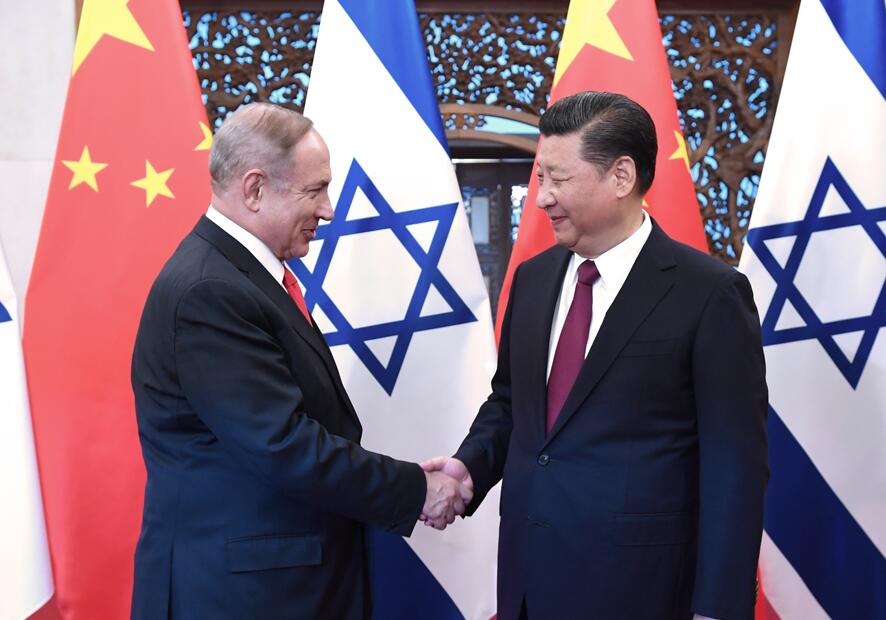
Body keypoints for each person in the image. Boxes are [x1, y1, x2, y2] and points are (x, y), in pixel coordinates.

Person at [422, 91, 768, 620]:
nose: (542, 198)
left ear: (621, 176)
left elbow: (735, 465)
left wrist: (718, 607)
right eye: (540, 177)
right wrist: (470, 467)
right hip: (528, 583)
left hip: (642, 592)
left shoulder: (710, 294)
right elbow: (512, 402)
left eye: (558, 179)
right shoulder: (533, 279)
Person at [130, 102, 471, 620]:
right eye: (315, 191)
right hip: (239, 597)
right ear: (254, 189)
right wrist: (415, 489)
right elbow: (283, 444)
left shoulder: (239, 276)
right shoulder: (210, 291)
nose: (329, 210)